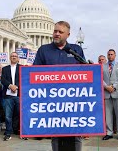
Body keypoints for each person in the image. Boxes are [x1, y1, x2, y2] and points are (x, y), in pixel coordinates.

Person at [33, 21, 85, 151]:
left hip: (73, 101)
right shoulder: (43, 50)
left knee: (75, 133)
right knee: (56, 134)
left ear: (68, 34)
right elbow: (34, 74)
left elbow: (84, 72)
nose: (56, 34)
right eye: (55, 31)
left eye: (60, 32)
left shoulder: (76, 49)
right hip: (53, 101)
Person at [102, 49, 118, 142]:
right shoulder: (102, 66)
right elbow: (100, 77)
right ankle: (109, 133)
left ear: (115, 55)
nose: (110, 56)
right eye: (109, 54)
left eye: (112, 54)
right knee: (108, 114)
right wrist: (106, 87)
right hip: (106, 93)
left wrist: (114, 87)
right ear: (107, 56)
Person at [1, 52, 25, 141]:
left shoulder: (22, 67)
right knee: (8, 115)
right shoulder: (5, 69)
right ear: (10, 58)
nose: (14, 57)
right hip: (8, 95)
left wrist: (16, 86)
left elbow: (24, 78)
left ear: (18, 58)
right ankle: (8, 133)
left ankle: (21, 132)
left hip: (19, 94)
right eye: (12, 56)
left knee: (20, 114)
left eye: (15, 56)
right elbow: (3, 79)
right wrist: (10, 85)